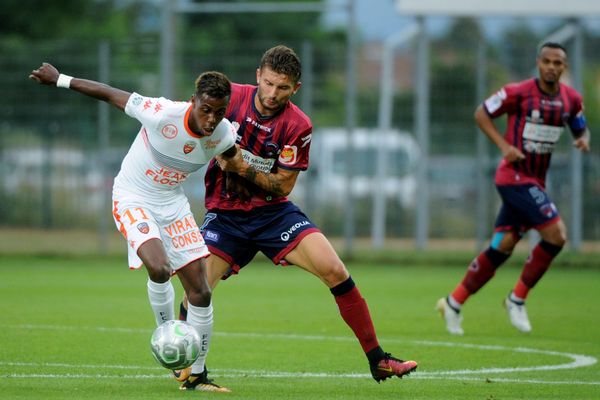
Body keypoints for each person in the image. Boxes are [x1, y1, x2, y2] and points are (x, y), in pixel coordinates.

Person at [178, 45, 418, 383]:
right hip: (227, 214)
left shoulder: (298, 125)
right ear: (258, 76)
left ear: (296, 89)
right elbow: (193, 122)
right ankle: (188, 366)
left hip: (274, 215)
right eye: (269, 83)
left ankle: (378, 359)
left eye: (283, 87)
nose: (273, 94)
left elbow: (282, 186)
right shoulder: (230, 99)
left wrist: (242, 167)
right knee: (196, 289)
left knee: (335, 270)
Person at [29, 62, 238, 392]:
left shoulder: (224, 132)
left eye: (219, 112)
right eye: (206, 110)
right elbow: (110, 93)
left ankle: (196, 376)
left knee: (201, 291)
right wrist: (61, 80)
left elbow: (231, 157)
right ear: (193, 100)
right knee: (158, 267)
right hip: (133, 196)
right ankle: (169, 339)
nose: (211, 119)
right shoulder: (162, 113)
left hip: (173, 203)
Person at [436, 42, 591, 335]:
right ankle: (517, 299)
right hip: (514, 177)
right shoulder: (518, 93)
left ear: (564, 67)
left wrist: (584, 139)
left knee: (503, 245)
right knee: (557, 235)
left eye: (557, 63)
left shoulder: (571, 100)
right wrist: (504, 146)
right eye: (546, 61)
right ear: (538, 63)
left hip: (536, 180)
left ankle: (453, 302)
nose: (551, 67)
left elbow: (581, 127)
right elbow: (482, 113)